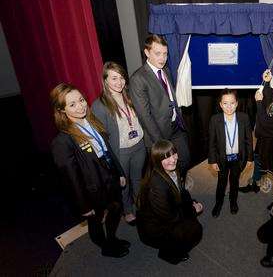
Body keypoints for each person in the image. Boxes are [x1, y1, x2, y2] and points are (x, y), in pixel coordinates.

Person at [50, 83, 130, 258]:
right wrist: (84, 206)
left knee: (116, 209)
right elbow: (71, 179)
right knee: (95, 222)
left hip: (110, 178)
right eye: (72, 104)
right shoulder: (62, 142)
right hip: (92, 190)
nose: (81, 106)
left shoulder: (91, 121)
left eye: (81, 100)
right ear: (62, 110)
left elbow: (107, 149)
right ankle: (106, 247)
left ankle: (111, 238)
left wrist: (120, 173)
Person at [91, 62, 146, 226]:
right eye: (114, 78)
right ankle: (128, 211)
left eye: (121, 77)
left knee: (138, 180)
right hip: (120, 151)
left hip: (139, 146)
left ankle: (141, 206)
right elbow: (101, 138)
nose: (119, 82)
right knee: (124, 183)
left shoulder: (130, 96)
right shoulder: (99, 105)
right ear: (105, 80)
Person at [129, 34, 190, 179]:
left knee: (185, 160)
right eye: (158, 54)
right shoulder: (138, 78)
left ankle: (179, 185)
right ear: (147, 52)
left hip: (176, 127)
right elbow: (145, 116)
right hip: (159, 134)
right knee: (164, 172)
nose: (162, 58)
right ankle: (174, 192)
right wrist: (160, 143)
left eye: (165, 54)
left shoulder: (166, 70)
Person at [136, 140, 203, 265]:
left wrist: (191, 203)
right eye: (166, 158)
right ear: (156, 161)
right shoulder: (156, 186)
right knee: (194, 231)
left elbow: (181, 191)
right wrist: (193, 210)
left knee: (193, 227)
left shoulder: (172, 169)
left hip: (169, 212)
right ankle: (167, 254)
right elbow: (168, 217)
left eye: (174, 154)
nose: (173, 160)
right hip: (156, 226)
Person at [208, 89, 253, 217]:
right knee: (221, 182)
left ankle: (233, 201)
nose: (229, 107)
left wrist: (249, 158)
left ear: (237, 103)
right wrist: (212, 160)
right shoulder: (214, 119)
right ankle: (219, 202)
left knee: (235, 181)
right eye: (225, 103)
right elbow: (211, 142)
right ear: (220, 104)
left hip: (238, 159)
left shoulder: (244, 118)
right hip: (221, 158)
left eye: (232, 103)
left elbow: (248, 140)